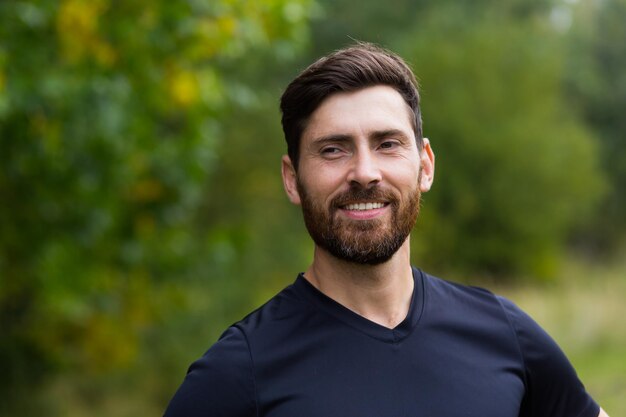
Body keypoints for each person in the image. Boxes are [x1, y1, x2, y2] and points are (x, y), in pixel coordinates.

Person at [164, 43, 609, 417]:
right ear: (291, 178)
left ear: (425, 165)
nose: (364, 172)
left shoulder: (503, 332)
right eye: (333, 149)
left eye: (388, 144)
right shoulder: (241, 371)